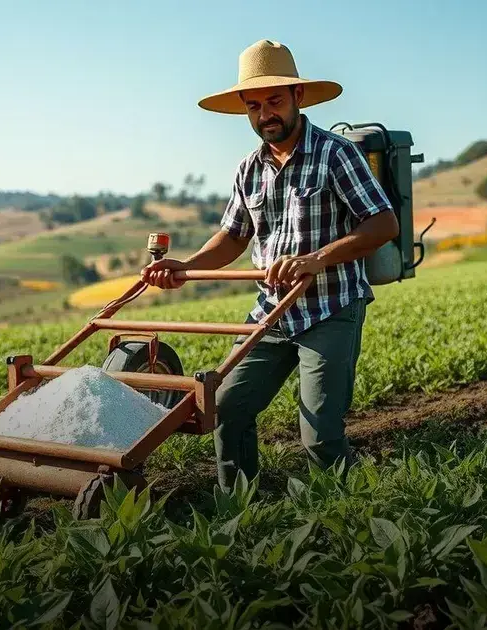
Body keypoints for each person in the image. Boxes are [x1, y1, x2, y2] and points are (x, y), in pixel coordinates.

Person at [141, 40, 400, 491]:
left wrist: (315, 259)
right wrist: (186, 265)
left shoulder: (335, 154)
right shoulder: (248, 169)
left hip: (331, 307)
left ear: (298, 96)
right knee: (226, 408)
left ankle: (360, 508)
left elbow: (383, 224)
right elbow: (234, 236)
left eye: (275, 101)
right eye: (255, 105)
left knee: (319, 437)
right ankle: (241, 511)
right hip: (273, 310)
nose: (266, 115)